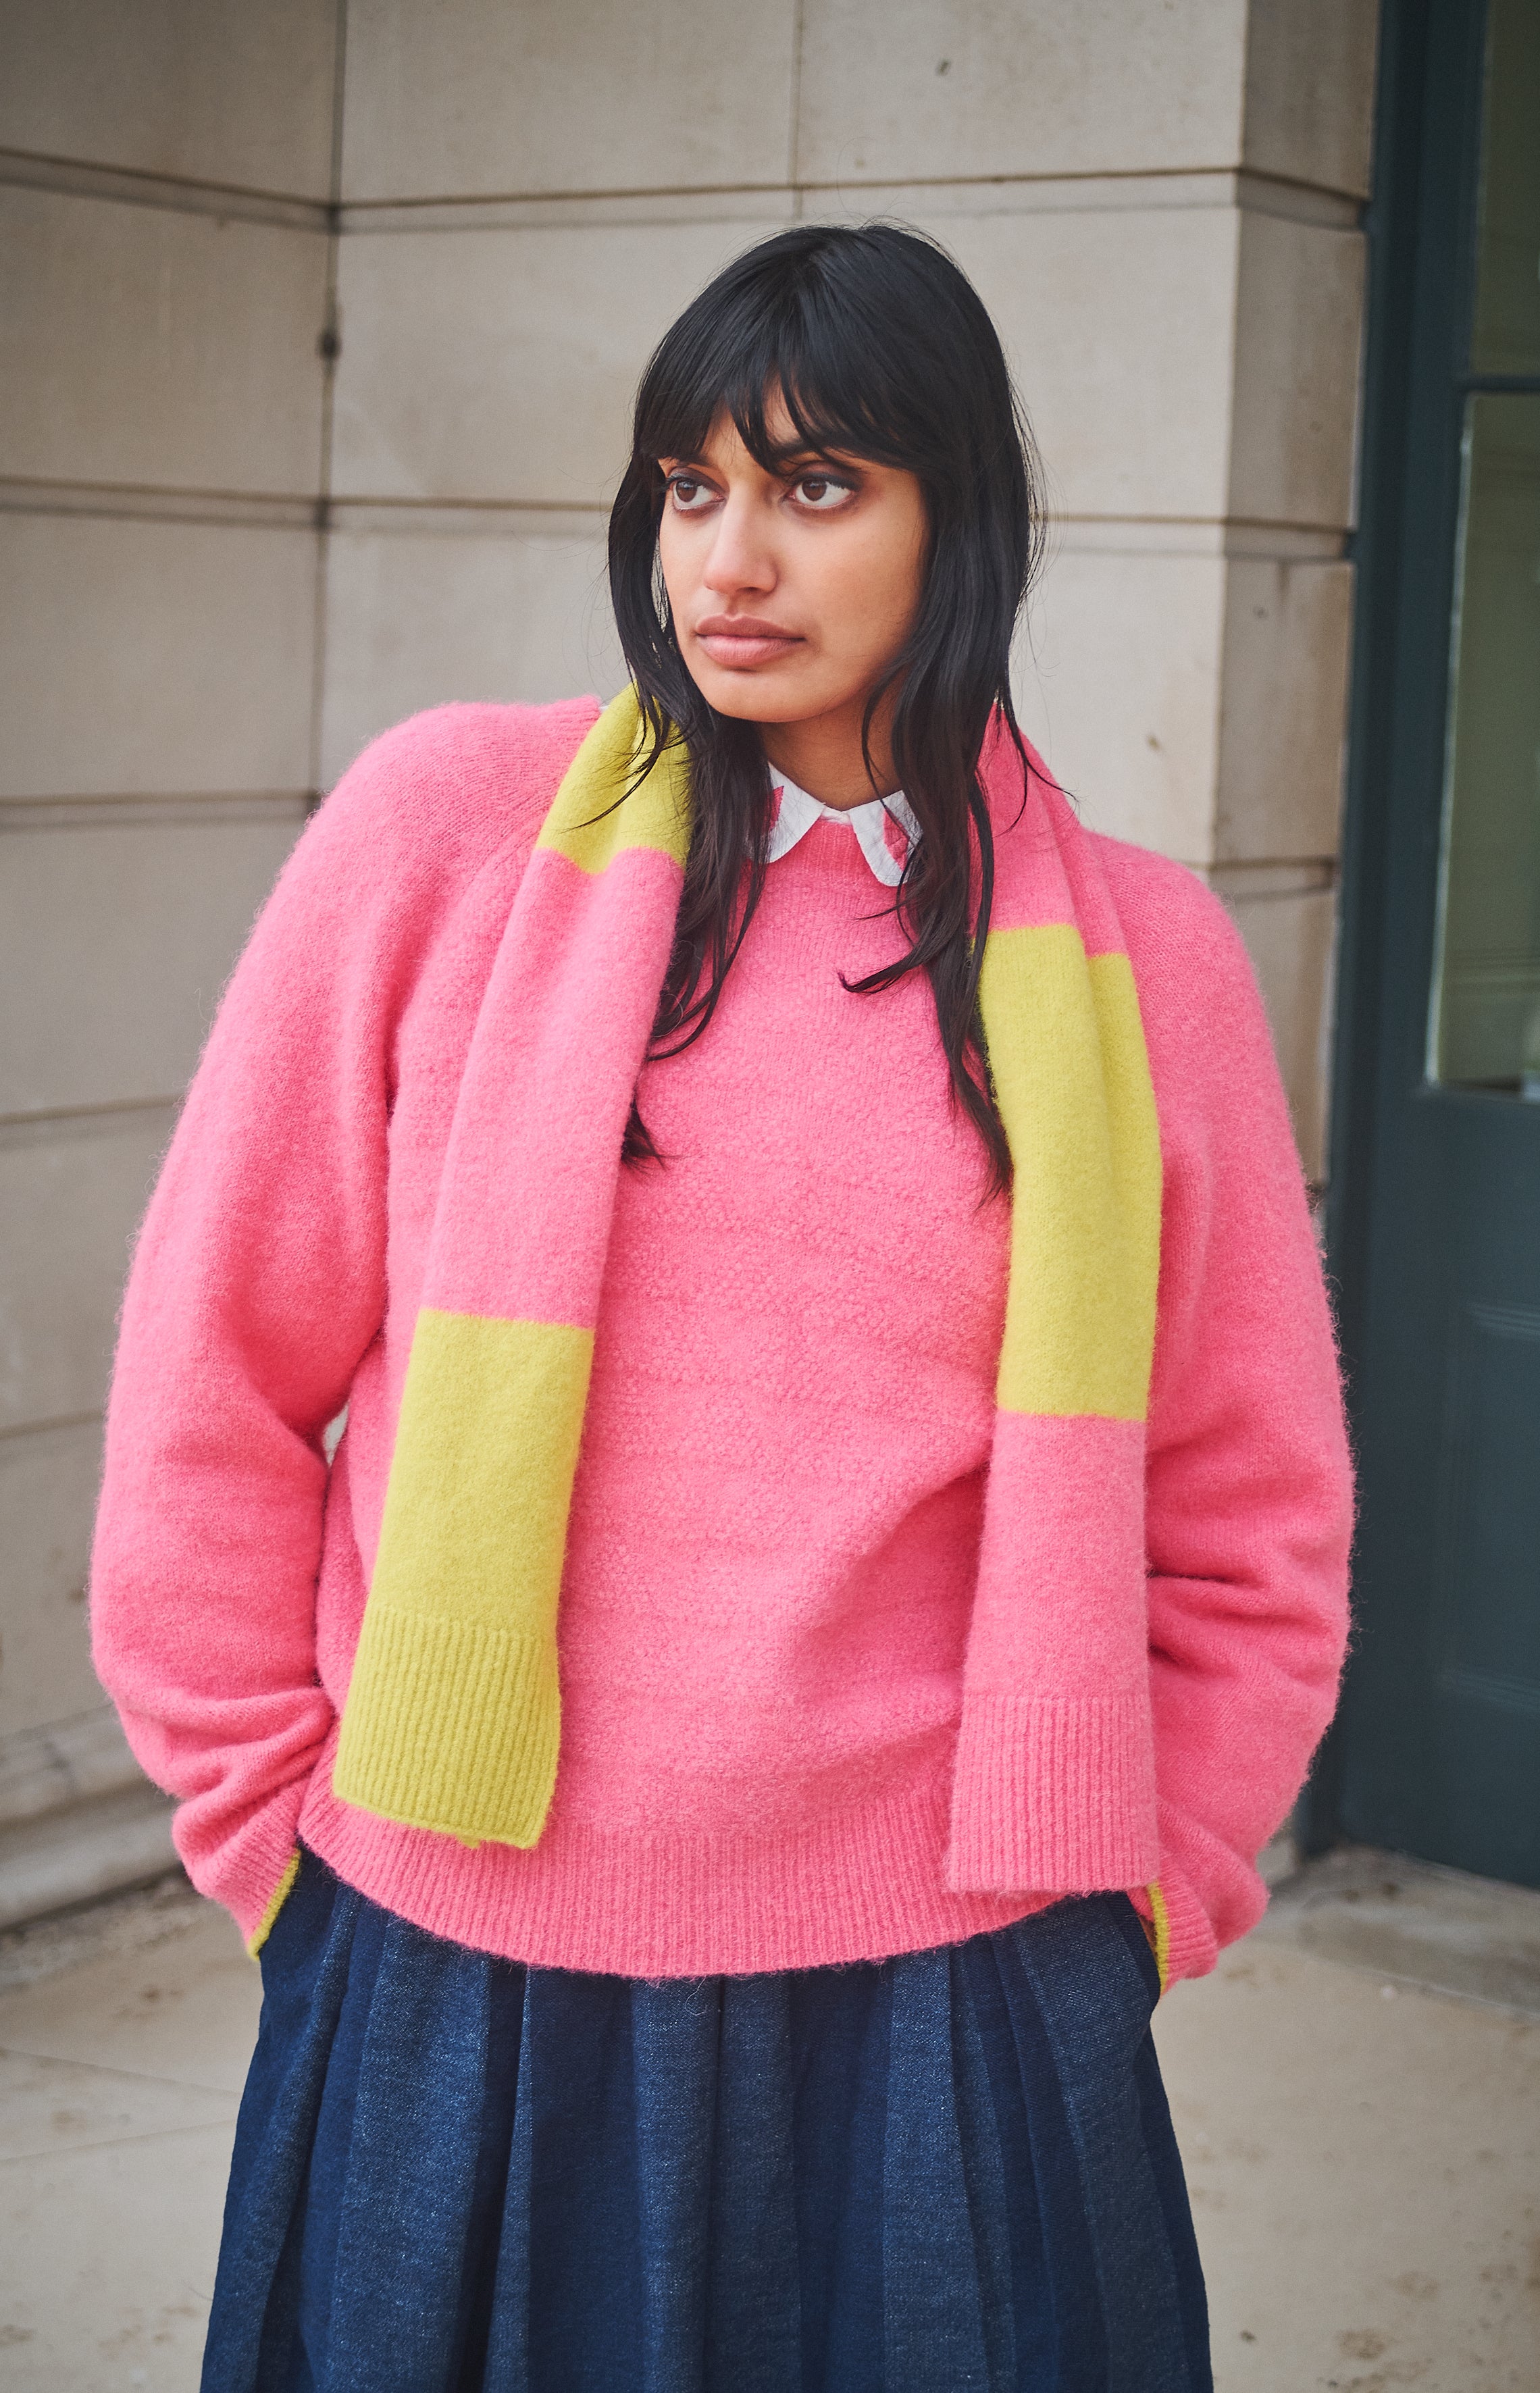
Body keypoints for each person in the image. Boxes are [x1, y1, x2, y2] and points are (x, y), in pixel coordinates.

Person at [91, 222, 1352, 2392]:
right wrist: (272, 1844)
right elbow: (213, 1369)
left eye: (816, 484)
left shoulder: (1150, 967)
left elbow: (1248, 1526)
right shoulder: (447, 845)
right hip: (450, 1958)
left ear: (963, 519)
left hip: (953, 2000)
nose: (729, 560)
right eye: (689, 488)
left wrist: (1141, 1904)